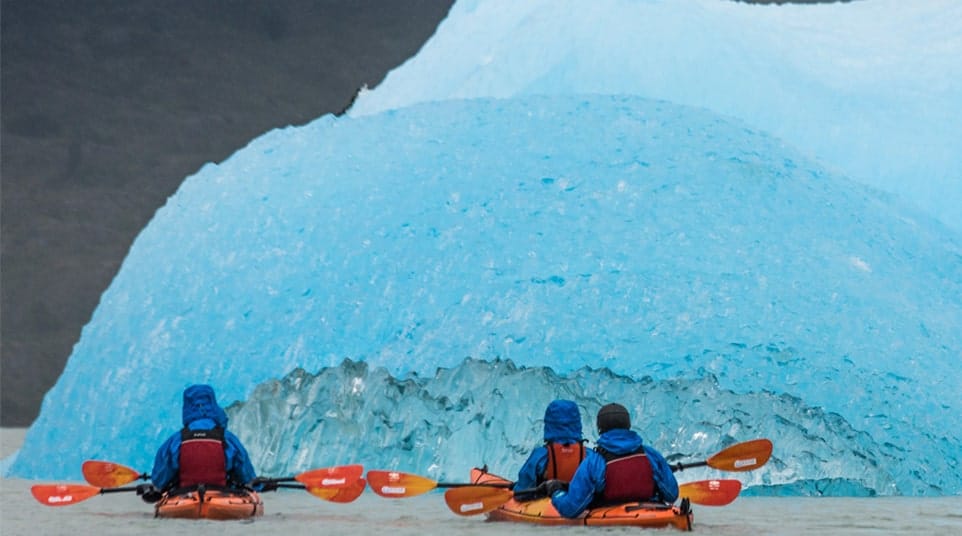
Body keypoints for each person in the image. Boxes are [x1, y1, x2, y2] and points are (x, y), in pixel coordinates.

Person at [536, 403, 679, 518]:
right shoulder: (651, 455)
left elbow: (571, 509)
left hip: (611, 520)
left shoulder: (595, 462)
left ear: (600, 429)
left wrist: (555, 491)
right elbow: (672, 494)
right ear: (628, 425)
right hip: (651, 513)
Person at [136, 384, 259, 502]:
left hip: (185, 495)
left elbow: (160, 480)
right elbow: (246, 476)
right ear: (213, 404)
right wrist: (258, 485)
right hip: (222, 494)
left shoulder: (176, 440)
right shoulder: (228, 438)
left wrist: (156, 488)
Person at [515, 399, 586, 490]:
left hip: (545, 501)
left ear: (548, 423)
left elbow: (522, 487)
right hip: (580, 501)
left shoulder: (540, 456)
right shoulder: (590, 456)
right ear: (577, 424)